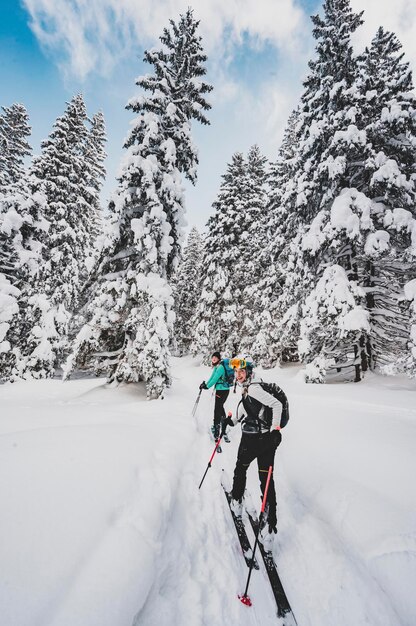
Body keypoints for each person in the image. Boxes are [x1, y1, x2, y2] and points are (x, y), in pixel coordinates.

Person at [223, 356, 282, 533]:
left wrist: (276, 429)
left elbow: (277, 405)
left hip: (252, 440)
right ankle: (270, 524)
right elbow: (245, 411)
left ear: (248, 372)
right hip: (267, 442)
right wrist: (230, 422)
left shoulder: (254, 389)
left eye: (241, 371)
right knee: (266, 480)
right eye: (236, 372)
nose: (238, 375)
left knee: (240, 468)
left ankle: (236, 501)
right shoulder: (251, 387)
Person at [199, 351, 231, 450]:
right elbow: (212, 378)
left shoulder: (220, 367)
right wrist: (206, 384)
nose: (213, 359)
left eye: (215, 358)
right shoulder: (217, 367)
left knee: (217, 410)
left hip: (221, 391)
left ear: (218, 359)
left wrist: (207, 387)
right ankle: (223, 426)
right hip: (223, 390)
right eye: (212, 358)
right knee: (221, 408)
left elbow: (215, 379)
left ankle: (217, 431)